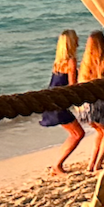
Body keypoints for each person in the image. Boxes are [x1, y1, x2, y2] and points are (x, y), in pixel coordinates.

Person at [39, 29, 84, 174]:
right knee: (78, 134)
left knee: (74, 134)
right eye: (76, 39)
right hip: (58, 104)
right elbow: (73, 86)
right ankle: (57, 165)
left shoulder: (58, 62)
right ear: (71, 43)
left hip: (51, 101)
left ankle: (57, 164)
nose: (78, 41)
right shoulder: (71, 61)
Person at [78, 30, 104, 171]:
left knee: (100, 132)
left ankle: (91, 164)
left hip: (84, 103)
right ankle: (98, 163)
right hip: (97, 102)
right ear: (103, 43)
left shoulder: (84, 62)